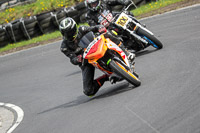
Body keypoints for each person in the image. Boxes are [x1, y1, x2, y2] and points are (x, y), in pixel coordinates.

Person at [59, 17, 135, 97]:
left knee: (106, 33)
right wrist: (78, 59)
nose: (69, 35)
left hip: (96, 46)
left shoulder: (82, 29)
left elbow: (95, 28)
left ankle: (126, 53)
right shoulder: (64, 47)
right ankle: (107, 77)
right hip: (86, 61)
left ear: (74, 28)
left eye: (70, 32)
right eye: (66, 33)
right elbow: (72, 59)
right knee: (88, 91)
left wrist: (100, 28)